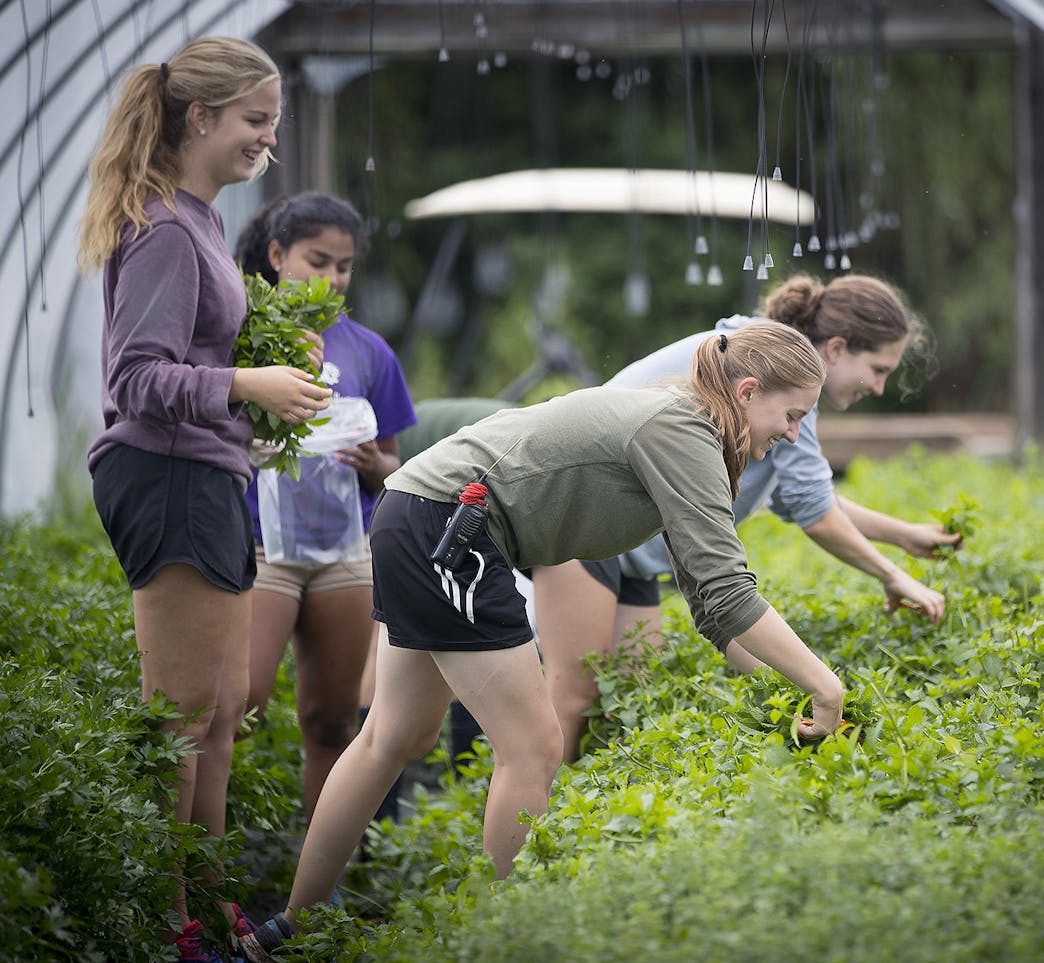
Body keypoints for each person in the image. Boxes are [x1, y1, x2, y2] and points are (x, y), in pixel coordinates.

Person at [240, 320, 846, 961]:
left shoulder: (690, 424)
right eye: (793, 415)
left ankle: (288, 929)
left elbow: (709, 598)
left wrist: (778, 684)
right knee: (533, 746)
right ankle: (510, 940)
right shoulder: (682, 429)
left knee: (393, 738)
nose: (793, 434)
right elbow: (728, 590)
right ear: (749, 392)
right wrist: (825, 686)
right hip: (451, 526)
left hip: (420, 511)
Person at [77, 37, 331, 962]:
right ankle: (162, 923)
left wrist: (258, 395)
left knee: (220, 710)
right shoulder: (164, 228)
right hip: (170, 478)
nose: (267, 139)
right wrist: (246, 382)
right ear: (201, 116)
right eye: (256, 121)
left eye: (273, 122)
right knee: (180, 716)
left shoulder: (203, 222)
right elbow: (137, 380)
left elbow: (193, 366)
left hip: (209, 472)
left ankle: (207, 910)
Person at [536, 273, 958, 760]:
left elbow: (800, 496)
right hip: (587, 520)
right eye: (878, 369)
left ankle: (579, 813)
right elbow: (812, 511)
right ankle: (537, 819)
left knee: (626, 698)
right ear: (837, 348)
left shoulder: (780, 379)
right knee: (575, 699)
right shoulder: (778, 373)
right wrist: (891, 577)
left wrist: (902, 536)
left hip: (637, 544)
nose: (881, 388)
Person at [234, 192, 418, 822]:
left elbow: (398, 467)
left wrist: (374, 467)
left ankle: (316, 895)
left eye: (344, 266)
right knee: (237, 708)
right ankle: (206, 870)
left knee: (333, 722)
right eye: (319, 260)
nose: (333, 278)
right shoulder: (242, 336)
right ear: (278, 255)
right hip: (263, 549)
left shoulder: (369, 351)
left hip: (346, 553)